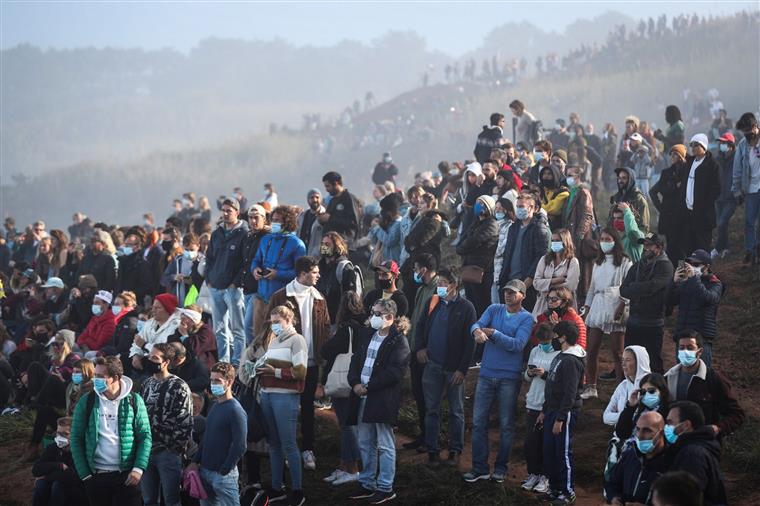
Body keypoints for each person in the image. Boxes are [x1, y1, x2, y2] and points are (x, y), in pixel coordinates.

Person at [463, 279, 534, 484]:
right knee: (478, 423)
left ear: (522, 295)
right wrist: (476, 330)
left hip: (509, 378)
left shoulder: (526, 318)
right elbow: (477, 324)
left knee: (506, 425)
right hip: (486, 374)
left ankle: (501, 467)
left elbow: (518, 345)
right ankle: (480, 467)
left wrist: (494, 333)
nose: (507, 295)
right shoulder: (494, 309)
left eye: (512, 292)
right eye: (506, 292)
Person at [267, 256, 330, 471]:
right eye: (314, 272)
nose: (318, 275)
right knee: (287, 408)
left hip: (311, 363)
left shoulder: (320, 298)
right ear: (302, 274)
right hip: (286, 363)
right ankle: (287, 449)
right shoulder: (281, 296)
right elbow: (268, 330)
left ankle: (308, 449)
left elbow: (326, 327)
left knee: (308, 408)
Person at [346, 299, 410, 504]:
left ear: (389, 317)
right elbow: (356, 360)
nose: (371, 317)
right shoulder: (368, 335)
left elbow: (395, 372)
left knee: (385, 444)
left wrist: (369, 386)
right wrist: (355, 382)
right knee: (365, 442)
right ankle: (367, 483)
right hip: (362, 395)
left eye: (376, 313)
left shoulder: (398, 341)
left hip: (381, 398)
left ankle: (385, 487)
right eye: (372, 312)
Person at [414, 268, 476, 467]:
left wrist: (462, 370)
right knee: (432, 409)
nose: (439, 286)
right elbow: (420, 326)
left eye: (442, 283)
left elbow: (470, 342)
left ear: (453, 285)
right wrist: (420, 347)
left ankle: (455, 451)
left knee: (456, 411)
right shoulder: (433, 302)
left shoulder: (467, 308)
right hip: (432, 365)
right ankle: (432, 451)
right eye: (438, 283)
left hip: (454, 369)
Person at [70, 356, 152, 506]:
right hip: (96, 477)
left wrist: (138, 468)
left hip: (127, 477)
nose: (96, 380)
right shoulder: (86, 401)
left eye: (101, 377)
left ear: (115, 378)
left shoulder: (135, 400)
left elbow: (145, 436)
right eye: (95, 375)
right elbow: (75, 438)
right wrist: (85, 474)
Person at [254, 305, 308, 506]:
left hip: (285, 396)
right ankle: (278, 487)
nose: (274, 325)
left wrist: (273, 372)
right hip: (268, 394)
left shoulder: (297, 340)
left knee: (288, 443)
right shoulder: (274, 341)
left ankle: (297, 489)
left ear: (288, 320)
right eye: (272, 322)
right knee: (274, 445)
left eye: (277, 322)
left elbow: (300, 372)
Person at [537, 320, 586, 505]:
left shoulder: (571, 361)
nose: (554, 339)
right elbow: (552, 386)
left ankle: (568, 492)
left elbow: (570, 393)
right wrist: (544, 410)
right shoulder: (561, 356)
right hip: (551, 411)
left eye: (556, 336)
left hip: (563, 414)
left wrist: (560, 417)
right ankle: (555, 489)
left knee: (563, 453)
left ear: (564, 337)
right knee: (550, 451)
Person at [140, 343, 193, 506]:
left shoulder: (179, 386)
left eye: (155, 358)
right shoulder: (146, 384)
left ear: (166, 362)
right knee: (149, 499)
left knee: (171, 499)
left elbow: (185, 422)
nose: (150, 360)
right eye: (149, 357)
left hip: (168, 453)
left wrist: (173, 448)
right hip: (146, 452)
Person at [664, 330, 744, 438]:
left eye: (690, 348)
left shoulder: (712, 379)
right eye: (681, 347)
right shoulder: (668, 378)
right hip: (672, 439)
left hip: (701, 440)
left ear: (700, 351)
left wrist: (717, 428)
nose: (685, 351)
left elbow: (736, 414)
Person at [320, 292, 364, 486]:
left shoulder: (345, 329)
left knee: (347, 427)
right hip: (356, 381)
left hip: (343, 383)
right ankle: (345, 466)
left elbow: (326, 350)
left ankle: (352, 469)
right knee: (350, 426)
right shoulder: (364, 327)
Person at [581, 228, 632, 398]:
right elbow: (592, 289)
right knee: (592, 348)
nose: (603, 242)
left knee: (618, 351)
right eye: (601, 239)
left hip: (616, 304)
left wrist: (622, 304)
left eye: (607, 238)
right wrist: (587, 310)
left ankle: (621, 389)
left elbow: (628, 286)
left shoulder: (625, 262)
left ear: (615, 241)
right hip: (598, 304)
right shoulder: (598, 262)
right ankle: (591, 386)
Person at [188, 362, 247, 506]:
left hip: (223, 476)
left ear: (230, 381)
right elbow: (206, 438)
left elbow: (240, 445)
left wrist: (225, 469)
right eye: (212, 380)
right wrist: (195, 461)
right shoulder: (214, 406)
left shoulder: (235, 410)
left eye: (217, 381)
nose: (213, 384)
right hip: (205, 471)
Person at [620, 233, 674, 374]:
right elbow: (623, 290)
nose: (645, 248)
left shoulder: (666, 266)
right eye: (644, 244)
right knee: (631, 360)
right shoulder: (638, 265)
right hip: (634, 321)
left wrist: (635, 287)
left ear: (659, 248)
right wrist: (641, 289)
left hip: (653, 322)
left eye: (649, 245)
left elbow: (654, 286)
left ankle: (657, 393)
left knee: (653, 362)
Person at [252, 205, 306, 342]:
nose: (274, 223)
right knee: (258, 337)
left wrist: (278, 274)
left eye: (278, 220)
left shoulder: (297, 244)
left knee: (277, 339)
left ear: (287, 222)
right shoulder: (265, 239)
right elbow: (256, 259)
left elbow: (300, 274)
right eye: (273, 219)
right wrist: (255, 269)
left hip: (281, 301)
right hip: (261, 297)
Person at [205, 197, 248, 367]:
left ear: (237, 212)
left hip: (234, 288)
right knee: (220, 329)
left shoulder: (243, 233)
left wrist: (235, 282)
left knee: (238, 328)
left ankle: (237, 362)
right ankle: (224, 362)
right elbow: (209, 258)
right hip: (216, 287)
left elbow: (245, 262)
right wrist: (209, 279)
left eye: (229, 210)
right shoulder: (217, 233)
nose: (225, 213)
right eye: (223, 210)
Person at [403, 253, 439, 451]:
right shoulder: (420, 290)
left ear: (424, 269)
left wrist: (424, 347)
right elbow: (416, 319)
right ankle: (423, 435)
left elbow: (433, 323)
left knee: (429, 396)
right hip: (415, 348)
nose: (415, 272)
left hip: (427, 352)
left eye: (416, 268)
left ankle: (431, 439)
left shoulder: (436, 289)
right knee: (418, 393)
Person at [521, 322, 560, 494]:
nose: (543, 344)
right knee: (531, 442)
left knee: (546, 443)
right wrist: (529, 373)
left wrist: (545, 374)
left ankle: (546, 476)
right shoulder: (534, 351)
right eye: (541, 341)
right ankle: (533, 473)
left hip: (549, 404)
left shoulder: (559, 354)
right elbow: (526, 378)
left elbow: (558, 381)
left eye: (546, 341)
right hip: (533, 402)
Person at [664, 401, 727, 506]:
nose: (666, 427)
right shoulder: (693, 447)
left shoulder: (693, 455)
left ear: (686, 425)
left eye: (670, 422)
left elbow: (686, 499)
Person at [498, 193, 551, 312]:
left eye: (522, 206)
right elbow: (507, 254)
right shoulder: (513, 227)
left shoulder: (539, 228)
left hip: (526, 285)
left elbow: (541, 257)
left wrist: (526, 283)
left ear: (532, 207)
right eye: (517, 206)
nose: (519, 209)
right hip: (509, 281)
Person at [669, 250, 723, 366]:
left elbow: (707, 299)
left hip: (701, 340)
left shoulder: (715, 283)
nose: (693, 267)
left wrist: (694, 279)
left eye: (696, 265)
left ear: (707, 266)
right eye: (691, 264)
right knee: (681, 376)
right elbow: (669, 301)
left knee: (702, 378)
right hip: (682, 338)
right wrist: (673, 283)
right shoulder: (686, 281)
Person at [604, 411, 668, 506]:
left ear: (661, 433)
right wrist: (614, 498)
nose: (640, 435)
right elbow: (612, 482)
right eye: (638, 429)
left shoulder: (672, 463)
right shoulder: (629, 455)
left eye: (647, 430)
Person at [455, 195, 499, 317]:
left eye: (482, 203)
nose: (479, 206)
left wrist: (461, 248)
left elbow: (473, 241)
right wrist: (461, 248)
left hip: (482, 271)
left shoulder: (491, 224)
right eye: (477, 202)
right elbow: (463, 239)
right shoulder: (475, 223)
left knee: (481, 305)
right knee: (471, 304)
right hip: (470, 269)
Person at [32, 416, 87, 506]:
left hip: (77, 491)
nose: (60, 437)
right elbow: (36, 469)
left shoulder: (80, 450)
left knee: (58, 485)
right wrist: (58, 466)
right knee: (41, 484)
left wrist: (46, 476)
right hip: (55, 485)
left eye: (65, 434)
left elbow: (72, 476)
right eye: (58, 433)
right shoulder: (53, 448)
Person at [562, 163, 596, 302]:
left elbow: (587, 216)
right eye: (566, 175)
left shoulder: (583, 192)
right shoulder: (571, 192)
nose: (567, 178)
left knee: (582, 274)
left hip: (579, 240)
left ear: (578, 177)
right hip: (570, 238)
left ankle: (582, 303)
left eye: (570, 175)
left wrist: (579, 237)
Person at [682, 134, 721, 253]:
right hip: (689, 213)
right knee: (690, 245)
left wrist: (704, 205)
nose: (692, 148)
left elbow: (716, 189)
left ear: (704, 147)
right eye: (691, 145)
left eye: (696, 145)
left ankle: (705, 270)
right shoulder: (689, 162)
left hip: (703, 215)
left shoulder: (712, 165)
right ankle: (692, 271)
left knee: (703, 245)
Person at [650, 145, 688, 264]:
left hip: (684, 215)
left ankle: (682, 272)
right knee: (671, 246)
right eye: (671, 154)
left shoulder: (689, 172)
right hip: (669, 215)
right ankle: (672, 273)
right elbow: (654, 191)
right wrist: (661, 209)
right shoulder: (666, 173)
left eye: (675, 154)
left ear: (681, 155)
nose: (672, 156)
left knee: (683, 246)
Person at [731, 112, 760, 264]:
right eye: (744, 133)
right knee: (749, 221)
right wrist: (736, 191)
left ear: (755, 127)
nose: (747, 136)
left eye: (749, 132)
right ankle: (750, 250)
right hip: (751, 189)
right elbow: (737, 170)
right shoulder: (742, 145)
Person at [532, 229, 580, 318]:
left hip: (563, 307)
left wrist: (547, 287)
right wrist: (556, 280)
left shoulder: (572, 262)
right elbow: (536, 283)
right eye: (553, 240)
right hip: (543, 305)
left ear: (565, 241)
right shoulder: (544, 259)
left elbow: (571, 286)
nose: (554, 243)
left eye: (557, 240)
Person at [129, 294, 181, 375]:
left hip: (162, 367)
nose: (153, 310)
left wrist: (144, 345)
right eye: (153, 307)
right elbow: (137, 342)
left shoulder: (175, 326)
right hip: (145, 362)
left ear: (168, 310)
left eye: (158, 308)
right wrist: (136, 355)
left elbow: (164, 350)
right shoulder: (150, 322)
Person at [613, 372, 671, 444]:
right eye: (643, 392)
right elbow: (622, 433)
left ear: (662, 391)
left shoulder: (669, 412)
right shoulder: (640, 410)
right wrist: (630, 407)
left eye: (651, 391)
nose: (647, 394)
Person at [316, 231, 360, 324]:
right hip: (321, 318)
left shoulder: (344, 267)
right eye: (323, 244)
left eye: (327, 244)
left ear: (336, 246)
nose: (324, 246)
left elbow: (350, 297)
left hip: (337, 319)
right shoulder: (319, 266)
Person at [241, 204, 269, 345]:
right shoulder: (249, 236)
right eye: (250, 218)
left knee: (250, 327)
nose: (253, 221)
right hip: (246, 287)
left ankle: (254, 356)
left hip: (259, 289)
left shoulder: (268, 237)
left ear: (264, 218)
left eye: (256, 218)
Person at [603, 346, 651, 427]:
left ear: (640, 362)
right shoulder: (623, 386)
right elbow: (606, 417)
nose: (623, 364)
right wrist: (627, 415)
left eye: (628, 360)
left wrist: (622, 416)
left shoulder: (650, 386)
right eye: (622, 360)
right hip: (620, 434)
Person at [160, 233, 204, 307]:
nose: (189, 252)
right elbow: (163, 279)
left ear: (198, 246)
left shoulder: (203, 261)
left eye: (192, 249)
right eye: (186, 250)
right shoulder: (177, 261)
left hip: (197, 303)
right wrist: (174, 277)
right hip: (179, 301)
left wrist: (194, 281)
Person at [320, 171, 361, 253]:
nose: (326, 190)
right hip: (328, 243)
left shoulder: (349, 198)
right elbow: (328, 221)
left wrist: (330, 218)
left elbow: (353, 223)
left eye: (328, 186)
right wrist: (322, 220)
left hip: (343, 245)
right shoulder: (332, 200)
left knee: (340, 264)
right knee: (325, 263)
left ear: (336, 183)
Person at [169, 306, 218, 371]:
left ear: (192, 320)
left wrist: (184, 335)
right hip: (183, 367)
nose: (181, 320)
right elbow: (171, 345)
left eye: (184, 317)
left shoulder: (206, 331)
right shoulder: (180, 330)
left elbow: (194, 350)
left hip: (203, 370)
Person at [712, 132, 737, 258]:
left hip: (731, 198)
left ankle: (717, 248)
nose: (721, 145)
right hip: (719, 198)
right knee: (721, 225)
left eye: (724, 143)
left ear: (730, 145)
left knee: (722, 223)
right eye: (720, 143)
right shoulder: (717, 159)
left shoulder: (737, 159)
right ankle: (726, 248)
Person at [610, 167, 650, 234]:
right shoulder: (616, 198)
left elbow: (644, 228)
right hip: (617, 238)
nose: (620, 181)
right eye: (619, 178)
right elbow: (611, 220)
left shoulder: (639, 200)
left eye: (624, 178)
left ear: (630, 180)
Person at [115, 232, 153, 304]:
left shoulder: (142, 263)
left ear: (137, 246)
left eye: (129, 245)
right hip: (120, 299)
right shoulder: (122, 260)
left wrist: (131, 294)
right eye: (125, 245)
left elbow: (146, 285)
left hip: (135, 300)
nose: (126, 247)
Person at [491, 198, 515, 304]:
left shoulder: (509, 225)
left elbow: (502, 248)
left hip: (500, 266)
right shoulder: (493, 224)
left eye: (500, 208)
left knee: (500, 301)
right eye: (496, 208)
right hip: (490, 267)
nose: (498, 210)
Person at [538, 159, 570, 231]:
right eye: (544, 174)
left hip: (556, 229)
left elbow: (552, 210)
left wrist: (537, 207)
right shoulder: (542, 190)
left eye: (549, 174)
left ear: (555, 176)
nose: (546, 176)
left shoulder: (563, 193)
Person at [297, 190, 325, 257]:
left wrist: (325, 256)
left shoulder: (325, 217)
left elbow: (328, 238)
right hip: (302, 254)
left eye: (317, 197)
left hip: (318, 257)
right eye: (312, 197)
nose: (315, 200)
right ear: (308, 200)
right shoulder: (302, 216)